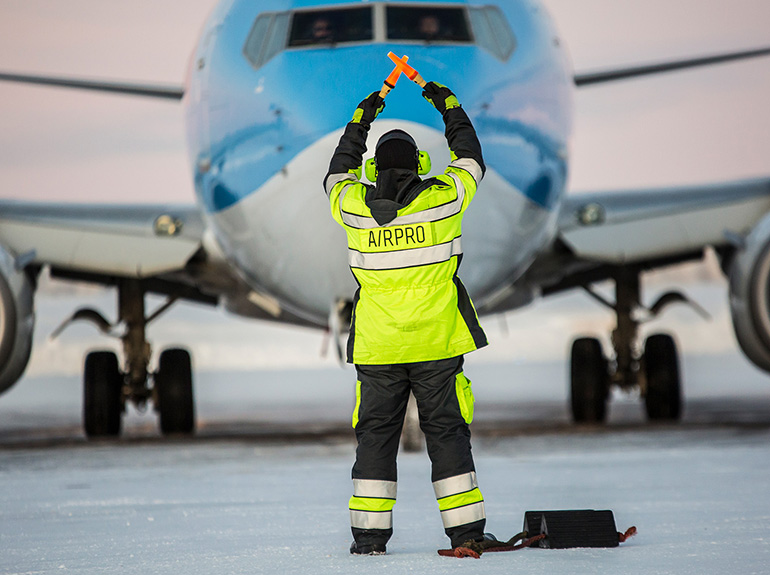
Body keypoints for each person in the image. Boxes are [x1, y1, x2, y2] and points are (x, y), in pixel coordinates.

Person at [323, 82, 491, 556]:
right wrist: (449, 107)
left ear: (373, 168)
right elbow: (471, 160)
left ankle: (369, 539)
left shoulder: (354, 209)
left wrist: (361, 120)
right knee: (448, 436)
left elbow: (337, 174)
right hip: (437, 343)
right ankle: (467, 535)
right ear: (421, 165)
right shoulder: (442, 202)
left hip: (379, 349)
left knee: (375, 439)